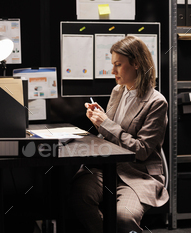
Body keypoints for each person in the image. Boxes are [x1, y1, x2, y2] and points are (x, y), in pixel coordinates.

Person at [70, 35, 169, 233]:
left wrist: (105, 122)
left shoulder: (157, 102)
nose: (112, 71)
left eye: (118, 64)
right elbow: (112, 134)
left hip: (137, 174)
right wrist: (100, 119)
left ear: (136, 64)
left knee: (123, 218)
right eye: (112, 64)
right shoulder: (118, 91)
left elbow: (141, 150)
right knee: (77, 197)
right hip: (107, 168)